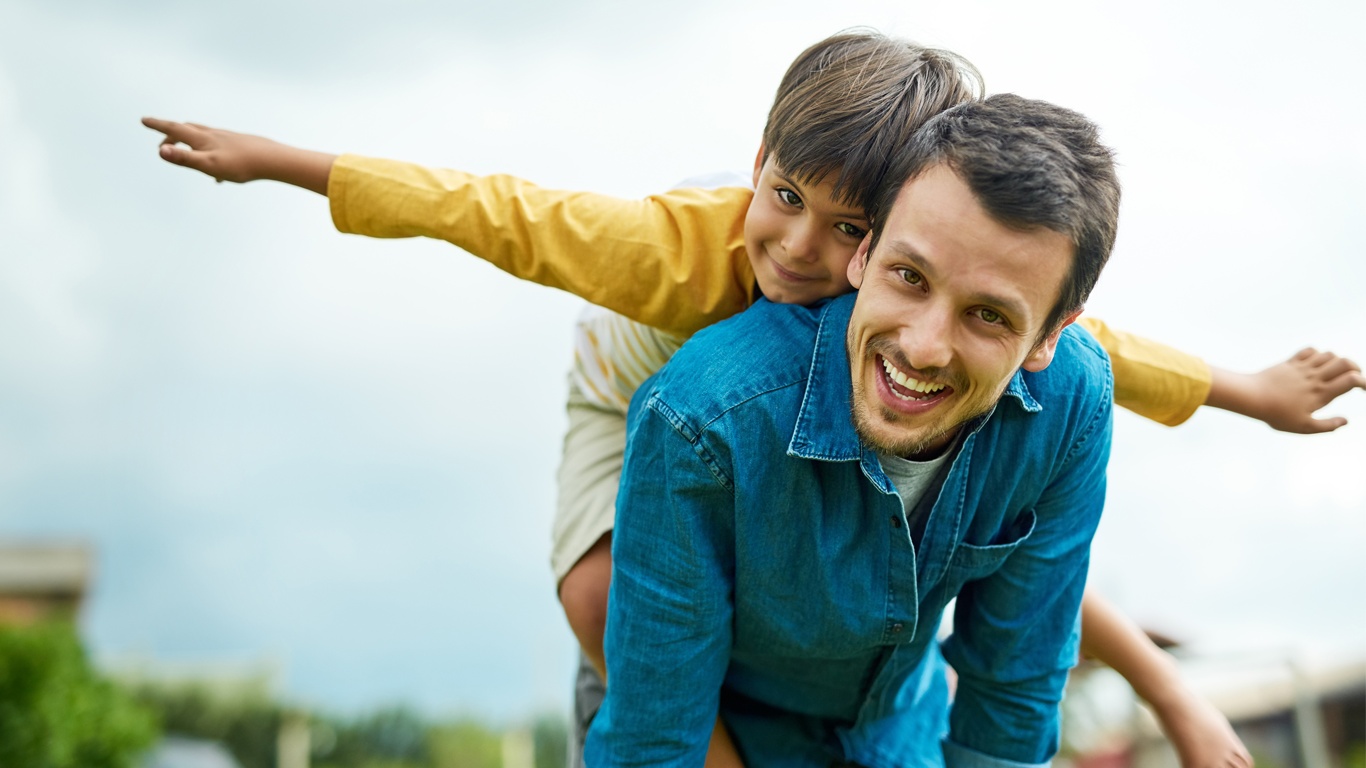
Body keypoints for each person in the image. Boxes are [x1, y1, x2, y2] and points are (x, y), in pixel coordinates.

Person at [141, 30, 1363, 766]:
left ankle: (1162, 680)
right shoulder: (672, 261)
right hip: (627, 408)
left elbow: (1096, 359)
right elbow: (488, 210)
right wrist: (282, 161)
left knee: (976, 522)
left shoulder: (997, 347)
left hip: (850, 519)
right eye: (784, 197)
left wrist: (1249, 391)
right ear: (759, 159)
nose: (795, 250)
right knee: (606, 602)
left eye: (846, 231)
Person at [589, 93, 1122, 766]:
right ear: (864, 254)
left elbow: (1013, 690)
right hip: (736, 737)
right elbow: (655, 743)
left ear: (1051, 335)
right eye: (909, 276)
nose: (924, 348)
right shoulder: (703, 419)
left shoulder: (1074, 401)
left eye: (988, 315)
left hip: (905, 732)